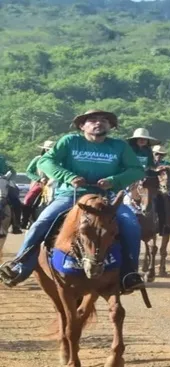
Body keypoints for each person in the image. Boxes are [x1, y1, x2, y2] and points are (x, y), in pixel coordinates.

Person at [0, 110, 145, 293]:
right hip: (71, 195)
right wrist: (68, 176)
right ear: (82, 126)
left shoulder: (119, 146)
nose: (98, 123)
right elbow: (45, 161)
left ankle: (129, 273)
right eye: (92, 120)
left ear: (110, 126)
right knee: (42, 223)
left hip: (105, 198)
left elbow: (137, 170)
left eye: (104, 120)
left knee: (131, 225)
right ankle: (20, 266)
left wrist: (113, 180)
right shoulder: (70, 141)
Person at [21, 140, 55, 228]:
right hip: (41, 184)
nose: (50, 151)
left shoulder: (59, 160)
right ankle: (24, 220)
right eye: (48, 149)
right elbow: (29, 172)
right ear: (45, 149)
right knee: (28, 199)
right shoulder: (38, 159)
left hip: (55, 183)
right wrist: (39, 179)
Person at [0, 153, 22, 234]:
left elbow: (12, 171)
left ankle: (16, 225)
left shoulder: (1, 159)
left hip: (2, 182)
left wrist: (8, 177)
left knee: (15, 201)